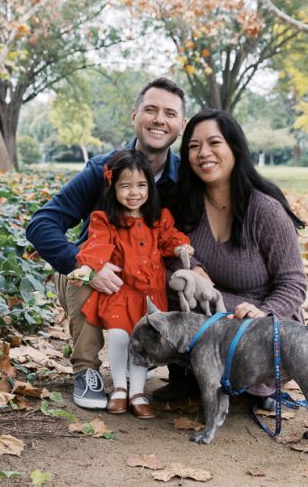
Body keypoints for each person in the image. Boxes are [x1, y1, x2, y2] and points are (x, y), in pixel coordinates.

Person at [25, 78, 186, 409]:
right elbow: (41, 224)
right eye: (151, 110)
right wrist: (82, 263)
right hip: (100, 272)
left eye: (170, 113)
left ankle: (179, 372)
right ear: (134, 115)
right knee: (86, 276)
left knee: (183, 282)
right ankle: (86, 371)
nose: (159, 120)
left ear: (181, 125)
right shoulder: (103, 169)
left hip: (149, 274)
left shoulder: (185, 180)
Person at [160, 108, 307, 404]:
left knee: (244, 326)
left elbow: (293, 284)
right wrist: (193, 268)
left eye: (214, 143)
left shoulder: (265, 210)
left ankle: (256, 384)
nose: (204, 153)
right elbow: (166, 249)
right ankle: (187, 376)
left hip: (258, 315)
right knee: (168, 286)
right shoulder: (182, 204)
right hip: (210, 307)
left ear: (235, 148)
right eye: (193, 146)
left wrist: (262, 312)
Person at [68, 150, 192, 418]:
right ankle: (119, 388)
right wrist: (90, 266)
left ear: (150, 187)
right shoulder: (105, 220)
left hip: (150, 295)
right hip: (120, 293)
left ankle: (137, 392)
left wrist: (180, 246)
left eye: (141, 185)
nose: (134, 192)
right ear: (113, 187)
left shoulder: (158, 218)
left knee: (142, 341)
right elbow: (97, 245)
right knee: (119, 336)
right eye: (125, 186)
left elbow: (169, 238)